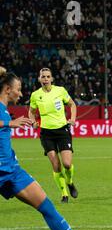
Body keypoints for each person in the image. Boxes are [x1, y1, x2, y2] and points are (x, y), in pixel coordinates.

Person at [0, 67, 103, 230]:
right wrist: (8, 124)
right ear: (7, 89)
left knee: (46, 206)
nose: (21, 93)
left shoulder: (5, 109)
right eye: (18, 89)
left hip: (12, 171)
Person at [28, 68, 78, 203]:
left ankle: (70, 182)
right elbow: (31, 112)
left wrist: (72, 119)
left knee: (67, 164)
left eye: (48, 76)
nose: (45, 79)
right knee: (56, 165)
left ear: (52, 79)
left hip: (62, 131)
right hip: (46, 133)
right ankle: (64, 194)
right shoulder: (35, 95)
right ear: (39, 79)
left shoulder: (60, 91)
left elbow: (72, 105)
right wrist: (33, 122)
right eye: (43, 76)